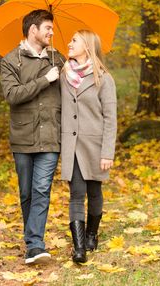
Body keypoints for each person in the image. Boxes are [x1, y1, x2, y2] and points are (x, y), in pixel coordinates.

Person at [0, 9, 65, 265]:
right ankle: (32, 241)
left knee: (41, 189)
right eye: (47, 27)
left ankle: (35, 245)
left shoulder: (57, 58)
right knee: (26, 192)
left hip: (51, 136)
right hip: (23, 136)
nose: (51, 32)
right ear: (33, 30)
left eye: (51, 28)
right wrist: (44, 79)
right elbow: (12, 95)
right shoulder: (10, 60)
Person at [60, 30, 117, 263]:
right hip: (71, 145)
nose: (69, 44)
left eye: (74, 40)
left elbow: (110, 118)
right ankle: (79, 247)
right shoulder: (63, 74)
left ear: (87, 45)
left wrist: (107, 152)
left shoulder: (104, 78)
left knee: (94, 192)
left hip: (95, 145)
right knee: (76, 193)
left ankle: (92, 233)